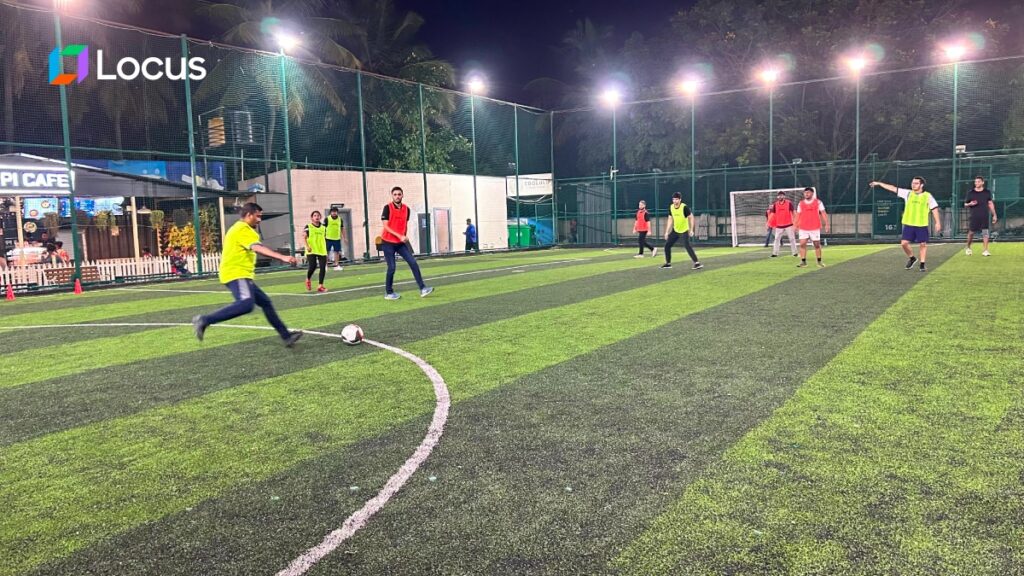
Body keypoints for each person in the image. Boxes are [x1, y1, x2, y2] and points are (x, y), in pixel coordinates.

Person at [192, 202, 302, 346]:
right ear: (249, 215)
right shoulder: (243, 229)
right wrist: (283, 257)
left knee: (265, 302)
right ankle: (204, 320)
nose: (259, 220)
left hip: (239, 274)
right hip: (236, 273)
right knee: (246, 305)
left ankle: (286, 336)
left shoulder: (239, 228)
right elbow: (257, 247)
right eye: (258, 216)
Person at [870, 177, 942, 272]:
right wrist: (879, 183)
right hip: (909, 224)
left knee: (923, 244)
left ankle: (922, 264)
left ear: (921, 185)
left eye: (916, 183)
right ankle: (912, 258)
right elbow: (893, 188)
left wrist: (938, 222)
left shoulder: (927, 196)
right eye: (913, 183)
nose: (913, 185)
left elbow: (934, 209)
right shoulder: (908, 193)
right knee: (904, 243)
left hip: (921, 224)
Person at [380, 187, 433, 300]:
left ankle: (423, 288)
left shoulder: (407, 209)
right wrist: (400, 235)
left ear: (402, 195)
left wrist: (404, 237)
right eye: (395, 194)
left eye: (399, 194)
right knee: (392, 267)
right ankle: (389, 293)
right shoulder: (387, 208)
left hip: (400, 243)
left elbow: (403, 224)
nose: (397, 196)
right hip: (387, 242)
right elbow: (386, 226)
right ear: (392, 196)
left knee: (413, 262)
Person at [660, 192, 702, 270]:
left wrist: (691, 229)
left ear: (680, 200)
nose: (674, 201)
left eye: (676, 199)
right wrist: (666, 232)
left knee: (687, 246)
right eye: (673, 199)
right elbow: (670, 219)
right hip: (675, 230)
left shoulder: (684, 207)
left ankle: (697, 263)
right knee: (667, 246)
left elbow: (691, 217)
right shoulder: (671, 207)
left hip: (684, 230)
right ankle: (668, 263)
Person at [794, 187, 830, 268]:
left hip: (815, 227)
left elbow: (823, 213)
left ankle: (819, 261)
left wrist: (827, 224)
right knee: (802, 244)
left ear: (812, 193)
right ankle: (803, 262)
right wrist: (795, 225)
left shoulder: (818, 202)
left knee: (816, 245)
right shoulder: (801, 203)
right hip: (803, 227)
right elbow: (798, 215)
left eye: (808, 192)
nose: (806, 194)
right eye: (805, 193)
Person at [963, 175, 997, 256]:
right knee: (971, 233)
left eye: (978, 182)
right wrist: (970, 203)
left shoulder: (987, 192)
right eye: (975, 182)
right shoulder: (971, 193)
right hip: (974, 216)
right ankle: (968, 248)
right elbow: (965, 204)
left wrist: (994, 215)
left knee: (985, 232)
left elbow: (990, 203)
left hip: (984, 216)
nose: (976, 183)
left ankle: (985, 250)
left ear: (982, 182)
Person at [304, 210, 328, 293]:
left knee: (322, 267)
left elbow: (324, 239)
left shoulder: (323, 227)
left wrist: (326, 250)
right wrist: (307, 247)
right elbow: (304, 237)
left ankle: (320, 286)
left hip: (322, 250)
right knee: (313, 266)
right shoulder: (308, 226)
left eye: (318, 215)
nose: (317, 217)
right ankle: (308, 279)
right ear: (312, 218)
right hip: (311, 250)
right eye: (315, 215)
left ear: (320, 217)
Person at [770, 191, 799, 257]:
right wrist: (769, 222)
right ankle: (775, 253)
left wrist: (796, 222)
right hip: (779, 225)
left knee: (792, 239)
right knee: (776, 239)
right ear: (777, 197)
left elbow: (794, 212)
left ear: (784, 196)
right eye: (779, 195)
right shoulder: (775, 204)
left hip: (789, 224)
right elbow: (773, 214)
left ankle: (795, 253)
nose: (780, 196)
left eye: (782, 195)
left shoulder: (789, 203)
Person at [325, 206, 345, 270]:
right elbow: (323, 229)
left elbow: (342, 228)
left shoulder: (340, 219)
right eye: (332, 212)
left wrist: (344, 237)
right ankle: (325, 265)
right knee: (326, 252)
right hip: (328, 238)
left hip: (337, 238)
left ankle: (336, 265)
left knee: (337, 252)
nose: (334, 213)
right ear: (330, 212)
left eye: (335, 212)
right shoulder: (327, 219)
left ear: (337, 212)